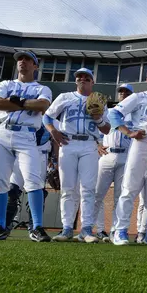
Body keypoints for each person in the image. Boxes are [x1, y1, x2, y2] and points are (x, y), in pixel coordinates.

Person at [0, 51, 52, 242]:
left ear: (35, 66)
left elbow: (43, 105)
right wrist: (27, 104)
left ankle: (36, 227)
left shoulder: (42, 88)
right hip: (2, 132)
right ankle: (1, 227)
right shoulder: (6, 84)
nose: (23, 62)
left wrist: (15, 102)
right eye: (20, 59)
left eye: (28, 59)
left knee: (33, 180)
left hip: (27, 135)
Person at [44, 68, 110, 243]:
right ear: (76, 81)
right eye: (79, 77)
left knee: (88, 188)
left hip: (89, 144)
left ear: (92, 82)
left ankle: (86, 229)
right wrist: (53, 132)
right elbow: (47, 117)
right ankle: (66, 228)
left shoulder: (99, 100)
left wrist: (98, 119)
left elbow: (107, 129)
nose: (82, 79)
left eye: (87, 77)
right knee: (68, 188)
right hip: (68, 143)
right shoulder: (65, 97)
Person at [110, 66, 147, 246]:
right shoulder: (138, 96)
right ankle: (120, 230)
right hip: (140, 142)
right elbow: (114, 113)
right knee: (129, 188)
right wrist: (127, 132)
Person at [92, 84, 133, 242]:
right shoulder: (107, 111)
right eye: (121, 91)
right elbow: (94, 130)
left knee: (120, 197)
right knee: (97, 194)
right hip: (107, 155)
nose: (123, 94)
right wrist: (96, 144)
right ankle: (92, 228)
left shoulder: (133, 113)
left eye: (126, 92)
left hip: (126, 157)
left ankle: (115, 230)